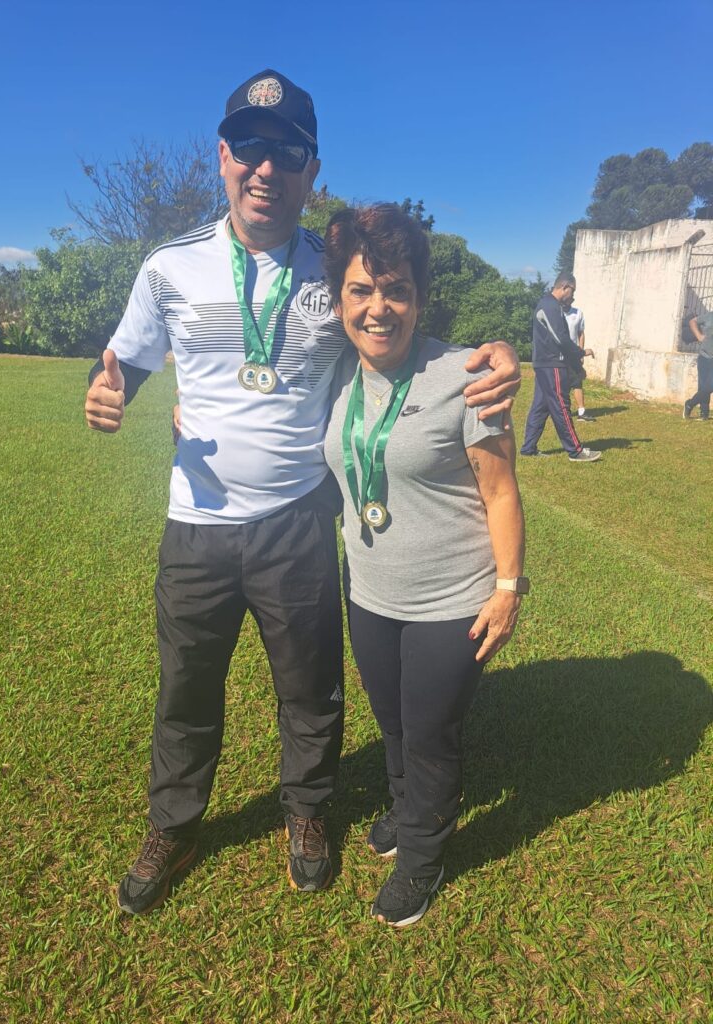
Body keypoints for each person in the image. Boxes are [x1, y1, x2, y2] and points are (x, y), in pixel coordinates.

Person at [84, 69, 522, 916]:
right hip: (198, 524)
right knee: (185, 689)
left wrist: (498, 346)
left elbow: (406, 326)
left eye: (286, 153)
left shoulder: (339, 269)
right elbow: (125, 368)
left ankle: (310, 815)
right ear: (222, 157)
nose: (265, 168)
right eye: (249, 148)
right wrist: (108, 398)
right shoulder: (169, 268)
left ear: (310, 168)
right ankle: (174, 824)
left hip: (298, 521)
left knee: (310, 690)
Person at [322, 204, 526, 927]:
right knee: (394, 723)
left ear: (419, 297)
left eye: (396, 289)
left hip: (453, 599)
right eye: (361, 290)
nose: (379, 308)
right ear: (341, 299)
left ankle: (422, 861)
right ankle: (408, 812)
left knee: (431, 732)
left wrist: (508, 589)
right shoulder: (335, 375)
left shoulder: (463, 375)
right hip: (371, 591)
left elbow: (500, 490)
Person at [520, 273, 602, 462]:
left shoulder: (551, 306)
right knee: (561, 406)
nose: (572, 295)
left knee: (540, 407)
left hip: (544, 364)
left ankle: (528, 448)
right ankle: (575, 450)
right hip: (552, 365)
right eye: (572, 291)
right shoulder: (549, 306)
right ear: (565, 287)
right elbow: (561, 339)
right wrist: (580, 353)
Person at [562, 295, 595, 422]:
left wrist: (581, 352)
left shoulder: (578, 314)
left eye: (568, 300)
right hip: (560, 354)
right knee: (562, 383)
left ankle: (581, 412)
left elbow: (580, 333)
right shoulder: (557, 314)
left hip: (574, 353)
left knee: (577, 382)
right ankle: (564, 411)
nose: (566, 302)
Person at [683, 310, 713, 420]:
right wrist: (699, 336)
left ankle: (690, 404)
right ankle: (704, 413)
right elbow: (692, 321)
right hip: (704, 356)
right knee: (704, 386)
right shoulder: (709, 316)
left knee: (710, 386)